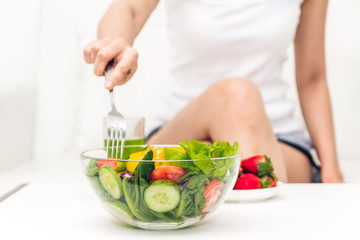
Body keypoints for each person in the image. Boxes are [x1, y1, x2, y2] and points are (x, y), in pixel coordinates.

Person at [83, 0, 343, 183]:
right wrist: (115, 41)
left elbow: (312, 79)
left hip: (280, 141)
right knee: (236, 97)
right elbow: (127, 7)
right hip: (181, 132)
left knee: (230, 119)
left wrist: (331, 173)